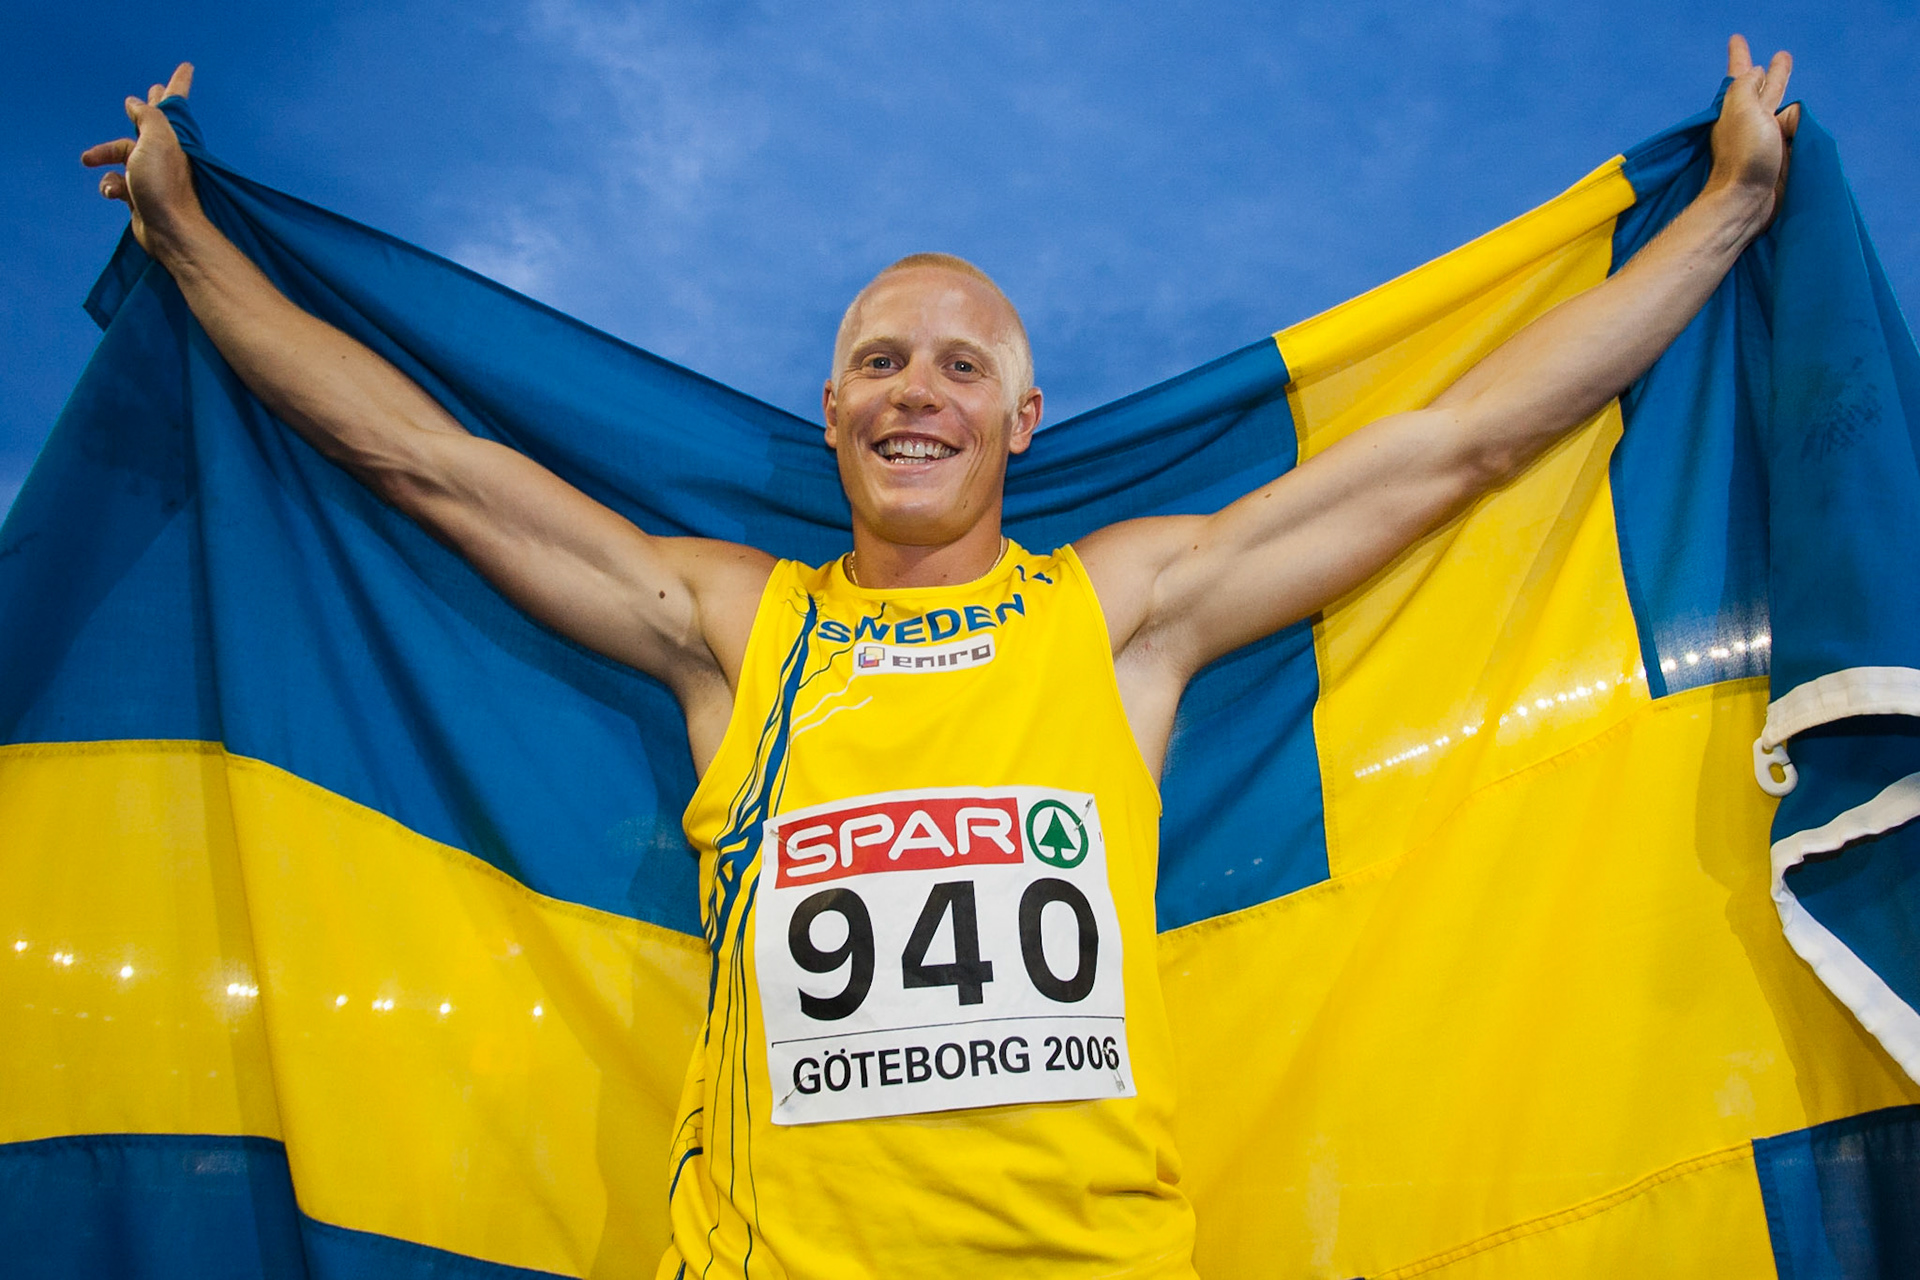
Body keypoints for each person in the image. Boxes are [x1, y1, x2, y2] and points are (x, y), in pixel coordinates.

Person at [84, 38, 1798, 1279]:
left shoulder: (1117, 612)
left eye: (963, 366)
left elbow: (1454, 451)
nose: (920, 390)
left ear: (1024, 418)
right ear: (829, 408)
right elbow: (425, 463)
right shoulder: (743, 624)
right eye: (882, 359)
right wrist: (186, 236)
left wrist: (1721, 216)